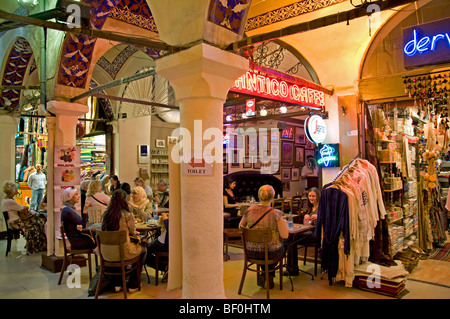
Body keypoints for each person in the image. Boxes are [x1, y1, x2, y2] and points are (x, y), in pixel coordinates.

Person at [239, 185, 289, 289]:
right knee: (285, 244)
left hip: (251, 252)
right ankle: (269, 274)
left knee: (264, 248)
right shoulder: (276, 213)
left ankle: (265, 274)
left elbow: (240, 227)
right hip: (270, 253)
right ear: (273, 196)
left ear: (258, 196)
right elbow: (285, 235)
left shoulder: (249, 210)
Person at [101, 189, 145, 293]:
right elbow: (133, 231)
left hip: (106, 253)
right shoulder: (127, 215)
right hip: (123, 252)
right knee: (143, 250)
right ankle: (133, 284)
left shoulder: (106, 215)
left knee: (116, 251)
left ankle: (117, 283)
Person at [1, 181, 46, 254]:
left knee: (36, 222)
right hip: (16, 223)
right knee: (39, 223)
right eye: (15, 189)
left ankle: (36, 244)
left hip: (13, 222)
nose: (17, 191)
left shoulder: (5, 200)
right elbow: (22, 208)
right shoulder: (10, 201)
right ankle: (38, 245)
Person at [285, 187, 321, 276]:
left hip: (317, 234)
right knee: (290, 239)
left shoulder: (321, 208)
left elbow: (327, 222)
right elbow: (306, 223)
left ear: (318, 196)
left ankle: (291, 269)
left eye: (313, 196)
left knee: (291, 240)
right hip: (309, 231)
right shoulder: (310, 207)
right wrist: (306, 217)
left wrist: (319, 217)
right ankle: (291, 268)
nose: (311, 198)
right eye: (309, 196)